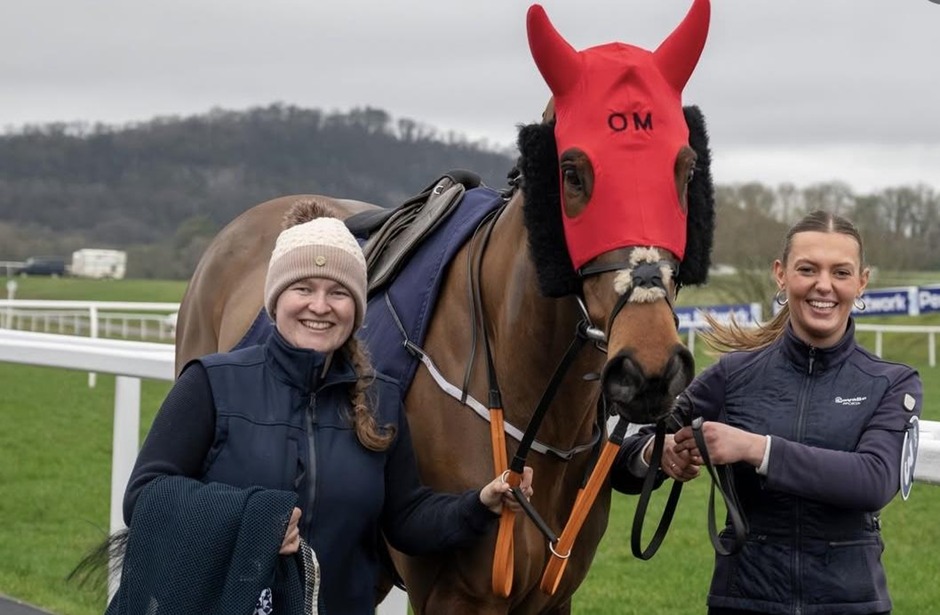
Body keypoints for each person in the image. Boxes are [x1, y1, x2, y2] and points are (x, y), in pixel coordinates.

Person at [117, 204, 534, 614]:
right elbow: (144, 496)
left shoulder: (381, 400)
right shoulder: (211, 383)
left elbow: (406, 519)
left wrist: (480, 503)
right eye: (303, 288)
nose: (320, 306)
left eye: (338, 292)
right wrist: (254, 521)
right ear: (276, 299)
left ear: (357, 308)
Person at [613, 210, 923, 615]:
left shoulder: (892, 382)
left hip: (851, 603)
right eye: (807, 269)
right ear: (781, 274)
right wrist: (659, 452)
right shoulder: (732, 375)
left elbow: (873, 480)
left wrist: (756, 449)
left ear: (861, 282)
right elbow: (624, 454)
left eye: (840, 272)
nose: (823, 285)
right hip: (743, 599)